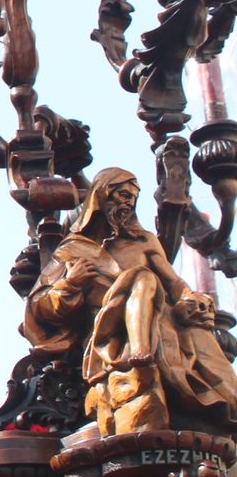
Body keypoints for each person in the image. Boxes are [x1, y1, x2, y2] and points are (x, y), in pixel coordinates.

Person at [23, 167, 237, 434]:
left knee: (195, 328)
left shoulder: (143, 242)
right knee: (141, 278)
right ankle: (139, 355)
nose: (127, 203)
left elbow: (175, 284)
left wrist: (192, 297)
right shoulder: (73, 250)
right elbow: (40, 308)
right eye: (122, 195)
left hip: (161, 323)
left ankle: (226, 404)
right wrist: (70, 283)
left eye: (132, 198)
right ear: (101, 196)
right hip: (108, 332)